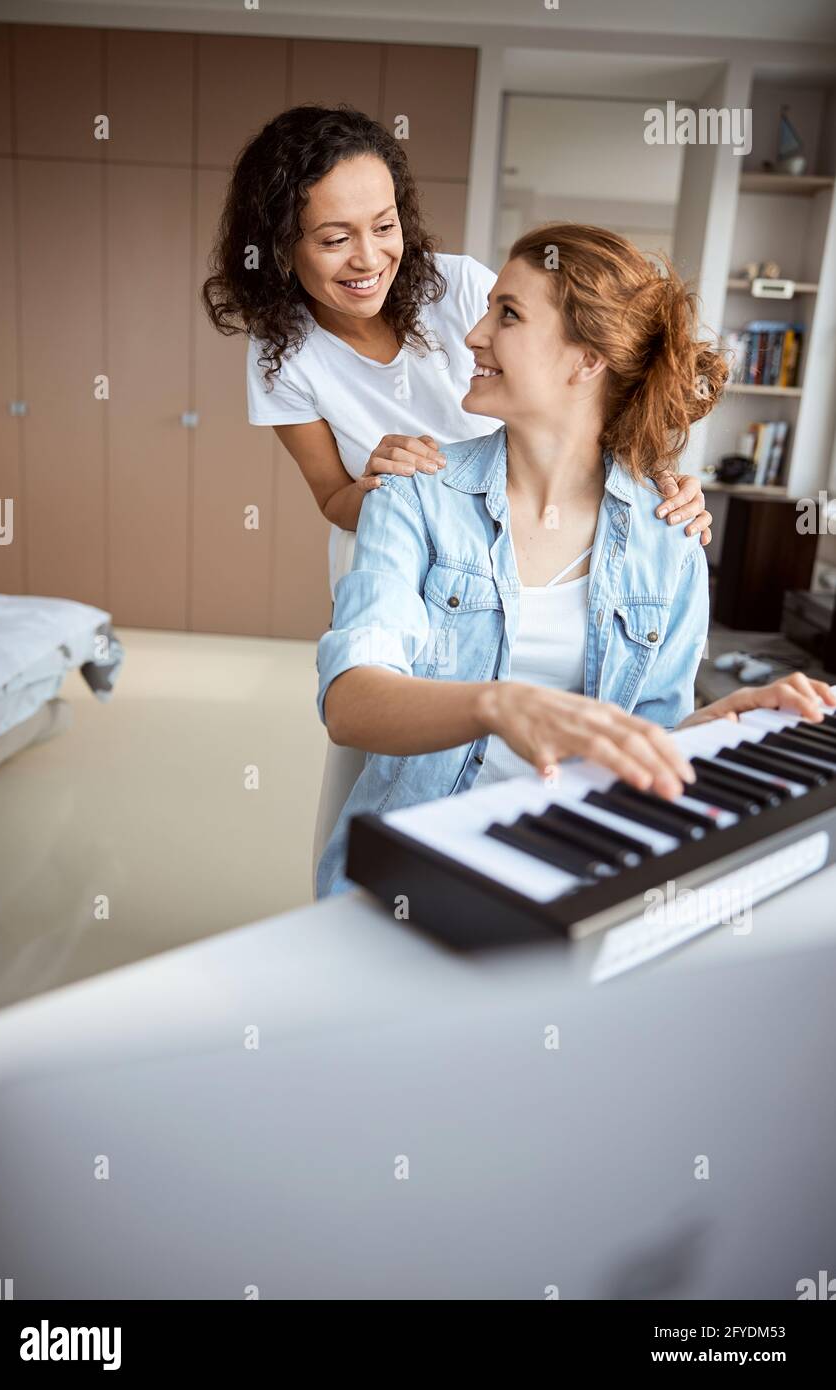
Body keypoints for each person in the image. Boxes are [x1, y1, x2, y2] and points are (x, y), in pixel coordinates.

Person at [201, 106, 714, 870]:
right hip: (406, 527)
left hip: (531, 500)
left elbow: (577, 389)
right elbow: (333, 497)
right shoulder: (286, 359)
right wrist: (386, 480)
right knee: (388, 764)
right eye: (334, 238)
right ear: (281, 248)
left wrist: (648, 481)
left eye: (383, 226)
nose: (368, 256)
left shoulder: (460, 287)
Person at [314, 222, 835, 897]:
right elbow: (351, 702)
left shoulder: (669, 536)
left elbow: (646, 739)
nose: (473, 336)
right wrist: (502, 705)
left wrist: (726, 724)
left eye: (508, 314)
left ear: (587, 359)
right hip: (410, 876)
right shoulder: (414, 494)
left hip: (572, 870)